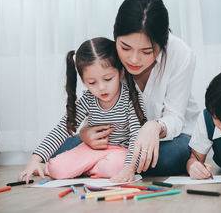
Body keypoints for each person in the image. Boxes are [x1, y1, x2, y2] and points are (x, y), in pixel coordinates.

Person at [19, 0, 199, 182]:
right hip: (114, 143)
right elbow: (89, 114)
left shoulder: (181, 55)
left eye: (146, 51)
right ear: (115, 38)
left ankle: (94, 166)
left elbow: (175, 117)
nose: (134, 60)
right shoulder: (110, 59)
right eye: (126, 48)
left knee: (174, 154)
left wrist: (154, 127)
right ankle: (101, 165)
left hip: (166, 138)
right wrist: (85, 133)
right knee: (64, 146)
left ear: (162, 44)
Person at [19, 37, 146, 183]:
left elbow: (137, 136)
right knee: (56, 169)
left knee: (118, 166)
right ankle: (83, 168)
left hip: (120, 152)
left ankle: (83, 169)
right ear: (84, 81)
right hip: (91, 150)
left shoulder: (131, 98)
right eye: (92, 82)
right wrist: (34, 160)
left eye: (108, 79)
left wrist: (129, 168)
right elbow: (61, 129)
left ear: (121, 73)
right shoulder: (88, 99)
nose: (101, 88)